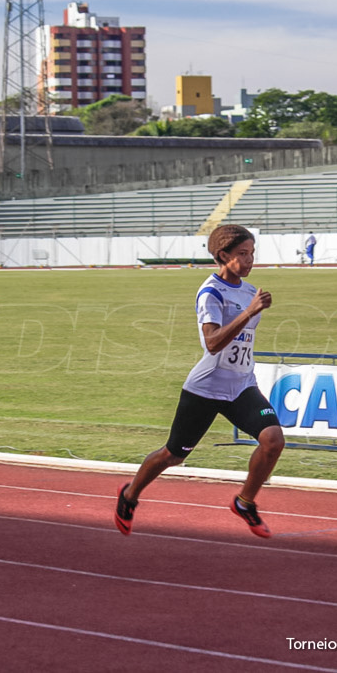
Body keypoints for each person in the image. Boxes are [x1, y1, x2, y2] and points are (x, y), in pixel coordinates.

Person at [114, 224, 285, 539]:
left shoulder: (250, 292)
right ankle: (129, 494)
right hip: (206, 388)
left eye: (252, 253)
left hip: (242, 385)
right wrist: (248, 313)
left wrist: (252, 310)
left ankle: (245, 502)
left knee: (273, 440)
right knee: (174, 455)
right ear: (223, 255)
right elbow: (213, 343)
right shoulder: (210, 292)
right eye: (242, 254)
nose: (250, 261)